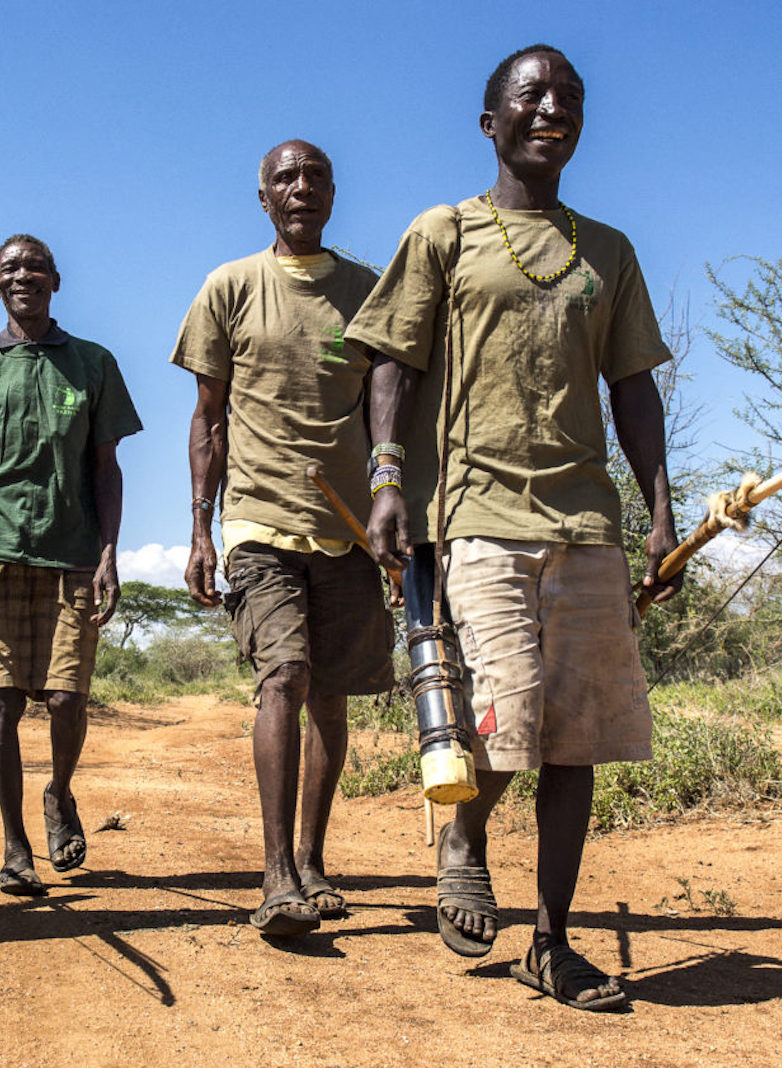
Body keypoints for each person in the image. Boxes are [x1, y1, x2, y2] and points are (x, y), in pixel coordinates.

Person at [351, 45, 681, 1009]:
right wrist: (385, 477)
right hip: (477, 515)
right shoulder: (446, 233)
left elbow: (632, 387)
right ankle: (461, 835)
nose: (553, 108)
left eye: (570, 97)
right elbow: (392, 365)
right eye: (531, 95)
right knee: (506, 717)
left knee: (573, 740)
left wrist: (658, 509)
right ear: (489, 122)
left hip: (585, 520)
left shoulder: (607, 251)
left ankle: (552, 941)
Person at [172, 140, 394, 938]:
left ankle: (311, 860)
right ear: (262, 197)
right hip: (259, 518)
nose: (301, 188)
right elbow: (208, 417)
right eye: (285, 179)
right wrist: (200, 527)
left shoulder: (368, 294)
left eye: (316, 177)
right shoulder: (228, 288)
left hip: (347, 530)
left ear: (333, 193)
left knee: (331, 693)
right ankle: (273, 878)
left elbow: (387, 415)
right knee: (287, 673)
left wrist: (394, 507)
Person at [0, 235, 141, 897]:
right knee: (0, 704)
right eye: (11, 268)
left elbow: (106, 469)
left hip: (68, 551)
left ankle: (60, 792)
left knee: (68, 697)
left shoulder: (92, 363)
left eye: (36, 267)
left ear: (56, 282)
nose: (25, 276)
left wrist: (108, 552)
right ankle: (15, 846)